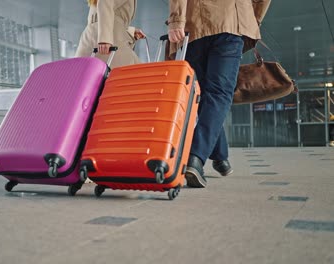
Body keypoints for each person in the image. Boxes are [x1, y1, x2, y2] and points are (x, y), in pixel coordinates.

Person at [168, 0, 272, 187]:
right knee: (219, 93)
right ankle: (196, 157)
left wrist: (177, 20)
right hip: (231, 21)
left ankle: (220, 155)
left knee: (206, 94)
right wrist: (252, 17)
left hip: (194, 26)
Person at [75, 0, 146, 68]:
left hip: (91, 37)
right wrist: (105, 39)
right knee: (140, 74)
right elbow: (104, 2)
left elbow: (105, 16)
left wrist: (130, 32)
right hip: (109, 41)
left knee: (82, 75)